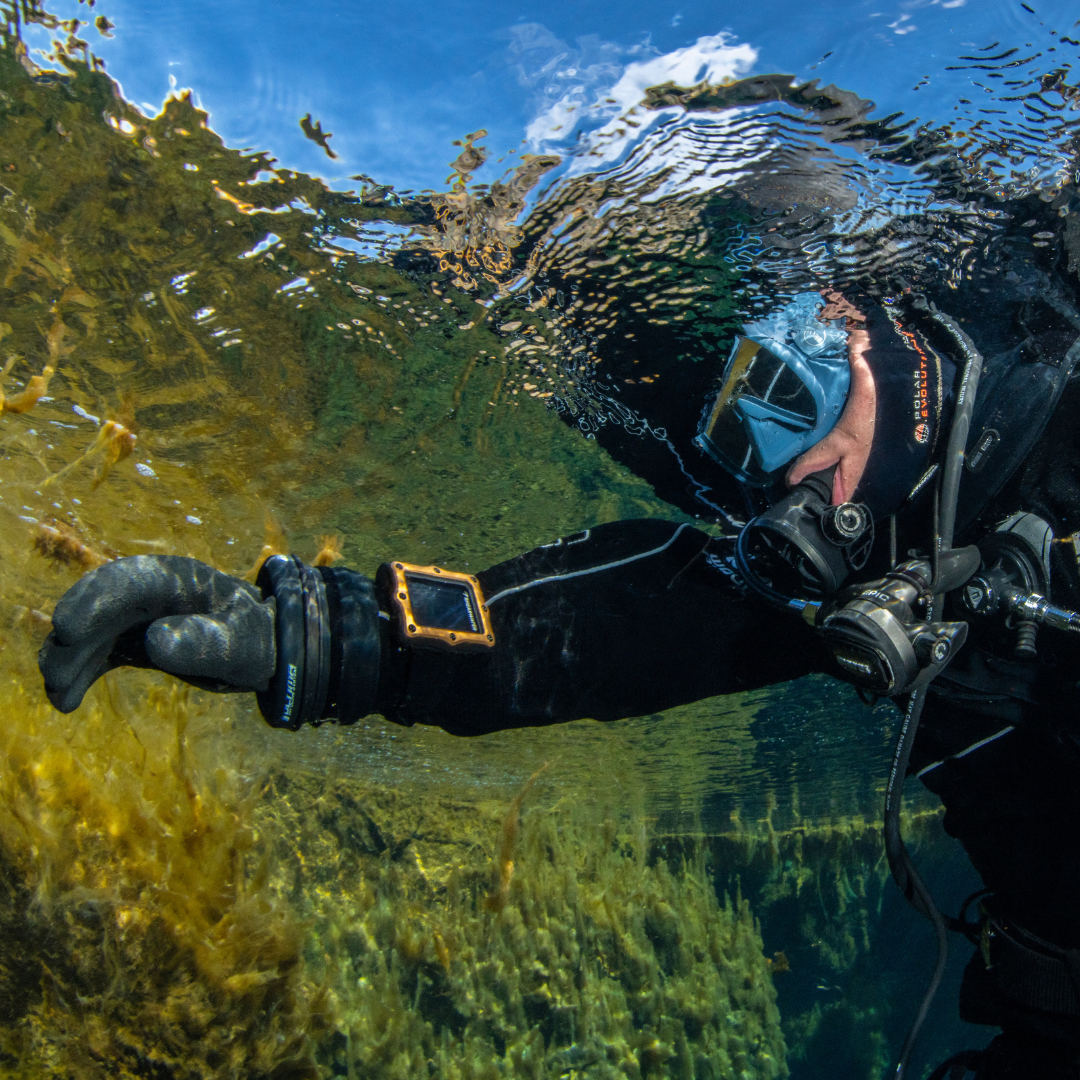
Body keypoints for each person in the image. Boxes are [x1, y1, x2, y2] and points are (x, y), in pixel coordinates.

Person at [37, 188, 1080, 1078]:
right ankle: (501, 229)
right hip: (1043, 976)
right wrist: (331, 638)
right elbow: (633, 623)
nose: (787, 484)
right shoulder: (874, 527)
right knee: (628, 350)